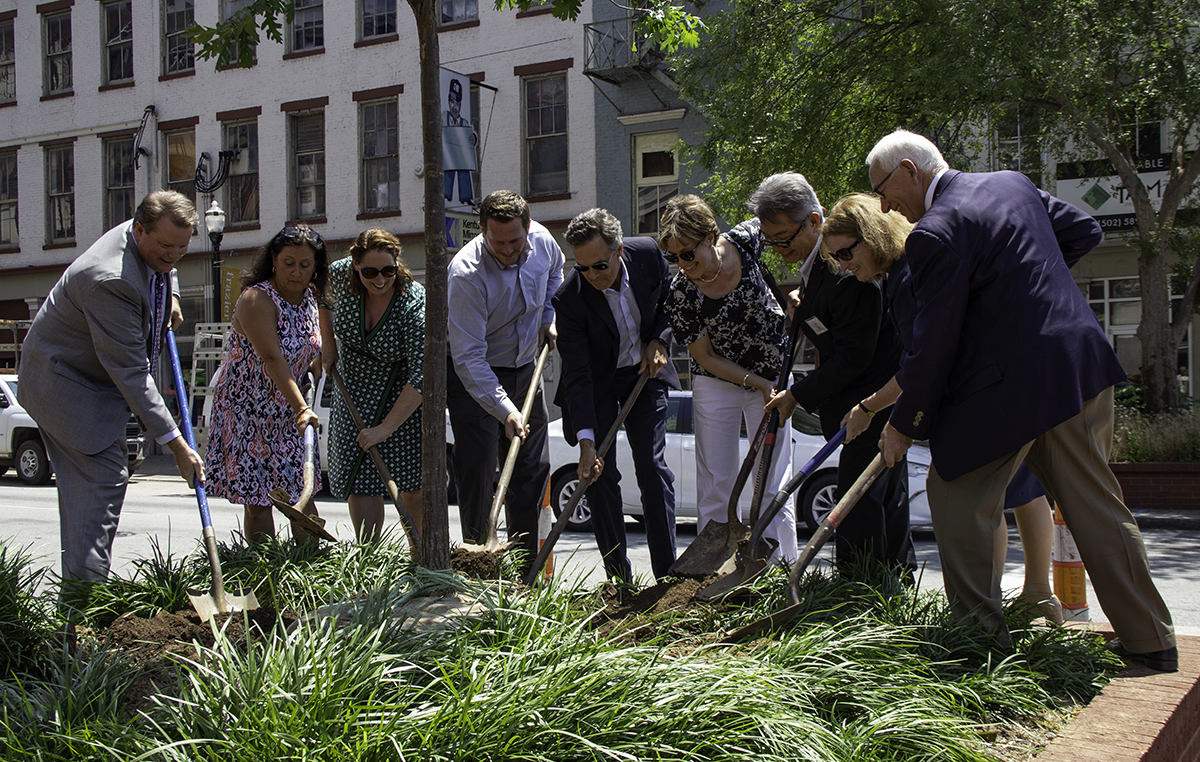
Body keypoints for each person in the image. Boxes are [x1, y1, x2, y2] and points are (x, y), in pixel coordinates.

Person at [866, 128, 1175, 670]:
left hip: (1007, 393)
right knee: (1098, 506)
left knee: (956, 497)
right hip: (1077, 366)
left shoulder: (933, 234)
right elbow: (1082, 230)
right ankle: (1152, 642)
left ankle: (977, 644)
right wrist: (1029, 293)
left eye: (885, 190)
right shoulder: (1013, 184)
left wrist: (904, 422)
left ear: (911, 170)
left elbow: (935, 344)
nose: (886, 205)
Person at [821, 193, 1061, 616]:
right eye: (835, 256)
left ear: (873, 235)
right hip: (1010, 385)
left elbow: (924, 362)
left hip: (982, 395)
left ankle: (981, 620)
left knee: (969, 502)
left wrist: (885, 415)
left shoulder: (909, 274)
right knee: (1016, 493)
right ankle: (1032, 596)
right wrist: (873, 408)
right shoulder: (908, 268)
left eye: (846, 252)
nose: (843, 264)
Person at [18, 190, 206, 610]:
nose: (174, 256)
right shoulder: (112, 281)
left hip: (87, 380)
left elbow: (164, 263)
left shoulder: (150, 243)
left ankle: (82, 601)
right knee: (102, 482)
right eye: (166, 247)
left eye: (183, 246)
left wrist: (170, 294)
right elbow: (132, 374)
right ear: (139, 229)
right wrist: (177, 445)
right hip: (65, 387)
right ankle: (81, 620)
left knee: (93, 491)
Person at [756, 177, 915, 582]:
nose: (777, 249)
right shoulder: (819, 272)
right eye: (769, 242)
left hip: (872, 403)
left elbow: (855, 355)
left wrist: (796, 395)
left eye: (782, 238)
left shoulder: (846, 273)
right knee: (880, 498)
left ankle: (861, 588)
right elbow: (833, 332)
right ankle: (894, 582)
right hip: (860, 405)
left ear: (812, 221)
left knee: (860, 503)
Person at [661, 194, 798, 562]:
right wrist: (755, 382)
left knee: (771, 479)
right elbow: (704, 355)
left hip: (773, 376)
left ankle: (779, 566)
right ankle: (713, 570)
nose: (682, 265)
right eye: (673, 257)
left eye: (687, 253)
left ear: (710, 236)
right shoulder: (680, 294)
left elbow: (796, 235)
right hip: (717, 382)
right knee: (717, 481)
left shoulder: (746, 239)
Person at [553, 208, 680, 582]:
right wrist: (587, 444)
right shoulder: (569, 300)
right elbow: (577, 376)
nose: (593, 276)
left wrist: (659, 340)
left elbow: (670, 302)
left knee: (651, 467)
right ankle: (618, 580)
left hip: (645, 370)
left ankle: (667, 578)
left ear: (620, 250)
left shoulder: (648, 256)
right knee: (598, 476)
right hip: (598, 384)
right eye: (583, 269)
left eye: (600, 267)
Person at [447, 190, 564, 570]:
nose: (509, 249)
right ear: (482, 232)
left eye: (516, 240)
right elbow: (468, 357)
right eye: (498, 242)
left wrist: (548, 315)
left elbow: (556, 274)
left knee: (531, 470)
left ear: (528, 228)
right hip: (476, 376)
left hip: (527, 367)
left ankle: (526, 571)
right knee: (479, 471)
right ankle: (478, 564)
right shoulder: (466, 273)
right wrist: (505, 410)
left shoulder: (543, 243)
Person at [204, 225, 327, 542]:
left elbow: (308, 346)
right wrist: (302, 409)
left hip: (288, 412)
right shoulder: (257, 299)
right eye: (288, 263)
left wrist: (314, 362)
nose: (296, 272)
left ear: (315, 267)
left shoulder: (311, 299)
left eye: (304, 265)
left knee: (303, 492)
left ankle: (308, 569)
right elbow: (272, 358)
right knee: (261, 501)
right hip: (249, 412)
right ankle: (265, 572)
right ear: (273, 260)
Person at [320, 229, 424, 542]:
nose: (379, 280)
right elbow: (321, 292)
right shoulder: (339, 277)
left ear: (397, 264)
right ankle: (370, 563)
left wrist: (385, 428)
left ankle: (419, 561)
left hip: (401, 402)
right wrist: (328, 341)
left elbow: (422, 377)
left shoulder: (413, 305)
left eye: (388, 271)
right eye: (370, 272)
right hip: (352, 392)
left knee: (409, 485)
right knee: (360, 480)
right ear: (355, 266)